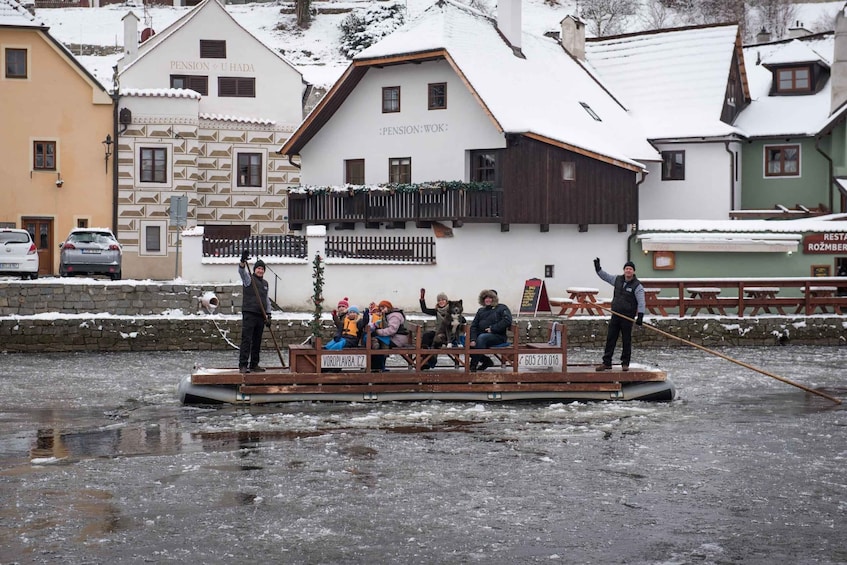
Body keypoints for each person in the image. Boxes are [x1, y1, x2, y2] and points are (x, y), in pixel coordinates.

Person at [594, 258, 645, 372]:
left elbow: (641, 301)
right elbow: (605, 276)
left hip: (627, 317)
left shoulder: (637, 286)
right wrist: (598, 268)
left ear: (633, 272)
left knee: (626, 340)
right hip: (616, 314)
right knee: (610, 338)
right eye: (626, 269)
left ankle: (625, 363)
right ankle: (607, 362)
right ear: (624, 270)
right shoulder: (617, 280)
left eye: (630, 269)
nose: (628, 271)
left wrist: (640, 315)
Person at [238, 251, 271, 373]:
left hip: (260, 315)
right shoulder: (249, 279)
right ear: (255, 269)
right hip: (249, 313)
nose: (260, 271)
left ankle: (254, 364)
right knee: (247, 339)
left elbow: (267, 300)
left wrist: (269, 315)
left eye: (262, 269)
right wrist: (242, 262)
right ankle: (243, 365)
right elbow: (241, 272)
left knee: (257, 341)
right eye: (258, 268)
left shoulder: (265, 284)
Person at [469, 289, 513, 371]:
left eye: (490, 298)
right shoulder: (481, 311)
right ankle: (486, 361)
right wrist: (472, 339)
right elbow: (474, 326)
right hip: (480, 336)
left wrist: (493, 328)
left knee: (482, 337)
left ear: (494, 298)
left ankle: (473, 365)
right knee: (466, 340)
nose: (488, 300)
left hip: (498, 336)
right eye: (486, 298)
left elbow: (507, 320)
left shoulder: (502, 308)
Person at [368, 300, 410, 371]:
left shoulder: (394, 316)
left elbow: (392, 330)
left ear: (388, 307)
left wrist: (378, 332)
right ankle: (377, 367)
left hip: (398, 339)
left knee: (378, 343)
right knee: (375, 342)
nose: (382, 311)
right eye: (381, 309)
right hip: (394, 337)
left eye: (383, 308)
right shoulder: (389, 314)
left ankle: (377, 367)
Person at [419, 288, 453, 369]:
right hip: (438, 332)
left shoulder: (452, 311)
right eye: (439, 300)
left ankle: (431, 360)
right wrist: (422, 299)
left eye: (443, 300)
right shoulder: (437, 311)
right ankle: (425, 357)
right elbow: (425, 310)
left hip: (449, 336)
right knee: (427, 335)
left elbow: (462, 320)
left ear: (446, 301)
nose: (441, 301)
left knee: (436, 340)